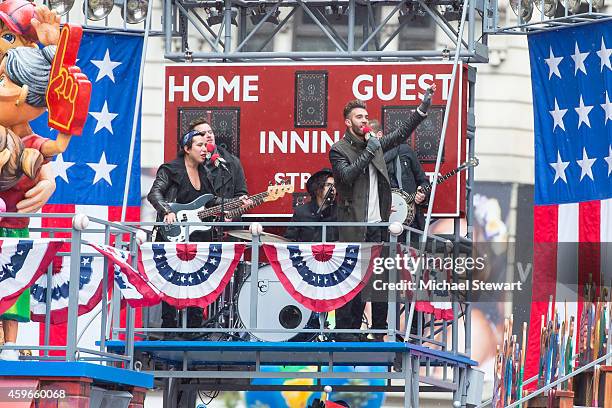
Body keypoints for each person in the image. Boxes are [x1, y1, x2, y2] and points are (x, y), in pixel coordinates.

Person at [329, 85, 436, 341]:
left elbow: (399, 135)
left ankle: (378, 331)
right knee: (352, 280)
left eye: (366, 117)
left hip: (379, 223)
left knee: (379, 281)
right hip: (355, 225)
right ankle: (347, 332)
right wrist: (368, 150)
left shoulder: (375, 145)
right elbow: (347, 175)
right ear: (348, 122)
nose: (364, 121)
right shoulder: (339, 149)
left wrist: (422, 109)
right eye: (359, 117)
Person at [147, 128, 249, 333]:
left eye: (206, 146)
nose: (205, 149)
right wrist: (167, 210)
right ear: (186, 148)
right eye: (200, 145)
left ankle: (193, 326)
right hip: (173, 234)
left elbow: (211, 201)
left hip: (197, 237)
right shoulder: (170, 169)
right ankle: (170, 327)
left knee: (196, 279)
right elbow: (155, 193)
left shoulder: (206, 173)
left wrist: (235, 202)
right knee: (171, 280)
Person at [369, 119, 429, 231]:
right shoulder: (364, 160)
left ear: (379, 135)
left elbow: (423, 181)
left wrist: (422, 195)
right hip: (378, 226)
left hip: (410, 224)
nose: (366, 140)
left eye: (369, 136)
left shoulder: (404, 151)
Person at [285, 168, 338, 242]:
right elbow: (289, 240)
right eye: (328, 185)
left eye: (334, 186)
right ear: (317, 188)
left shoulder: (340, 213)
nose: (333, 189)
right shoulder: (301, 212)